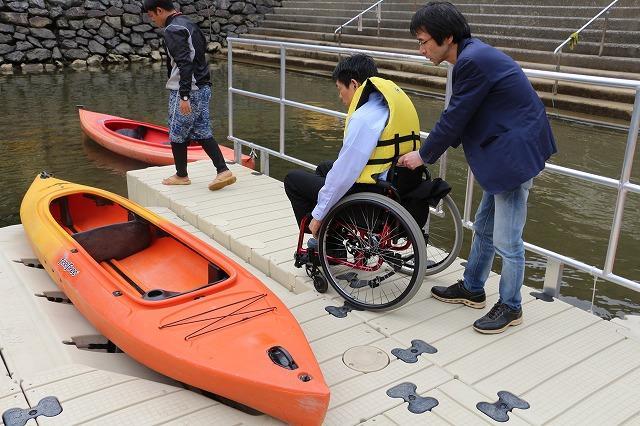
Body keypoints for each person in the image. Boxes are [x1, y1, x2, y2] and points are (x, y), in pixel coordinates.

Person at [398, 1, 557, 334]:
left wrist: (423, 155)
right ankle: (472, 287)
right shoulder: (471, 57)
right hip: (505, 153)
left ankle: (511, 307)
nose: (421, 49)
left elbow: (455, 117)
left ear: (448, 37)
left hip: (513, 158)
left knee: (508, 240)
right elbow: (464, 115)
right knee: (484, 228)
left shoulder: (471, 62)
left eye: (424, 41)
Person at [284, 54, 422, 243]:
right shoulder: (389, 107)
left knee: (293, 180)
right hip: (397, 184)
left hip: (371, 201)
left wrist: (318, 215)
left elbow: (344, 173)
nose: (340, 96)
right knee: (325, 167)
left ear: (354, 85)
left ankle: (325, 241)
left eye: (340, 89)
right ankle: (332, 234)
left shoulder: (363, 118)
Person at [144, 0, 235, 190]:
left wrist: (184, 95)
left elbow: (185, 64)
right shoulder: (189, 23)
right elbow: (200, 56)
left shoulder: (173, 30)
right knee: (201, 130)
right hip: (203, 86)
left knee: (177, 132)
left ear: (159, 10)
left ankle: (181, 175)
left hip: (187, 89)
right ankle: (222, 170)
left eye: (152, 15)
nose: (152, 20)